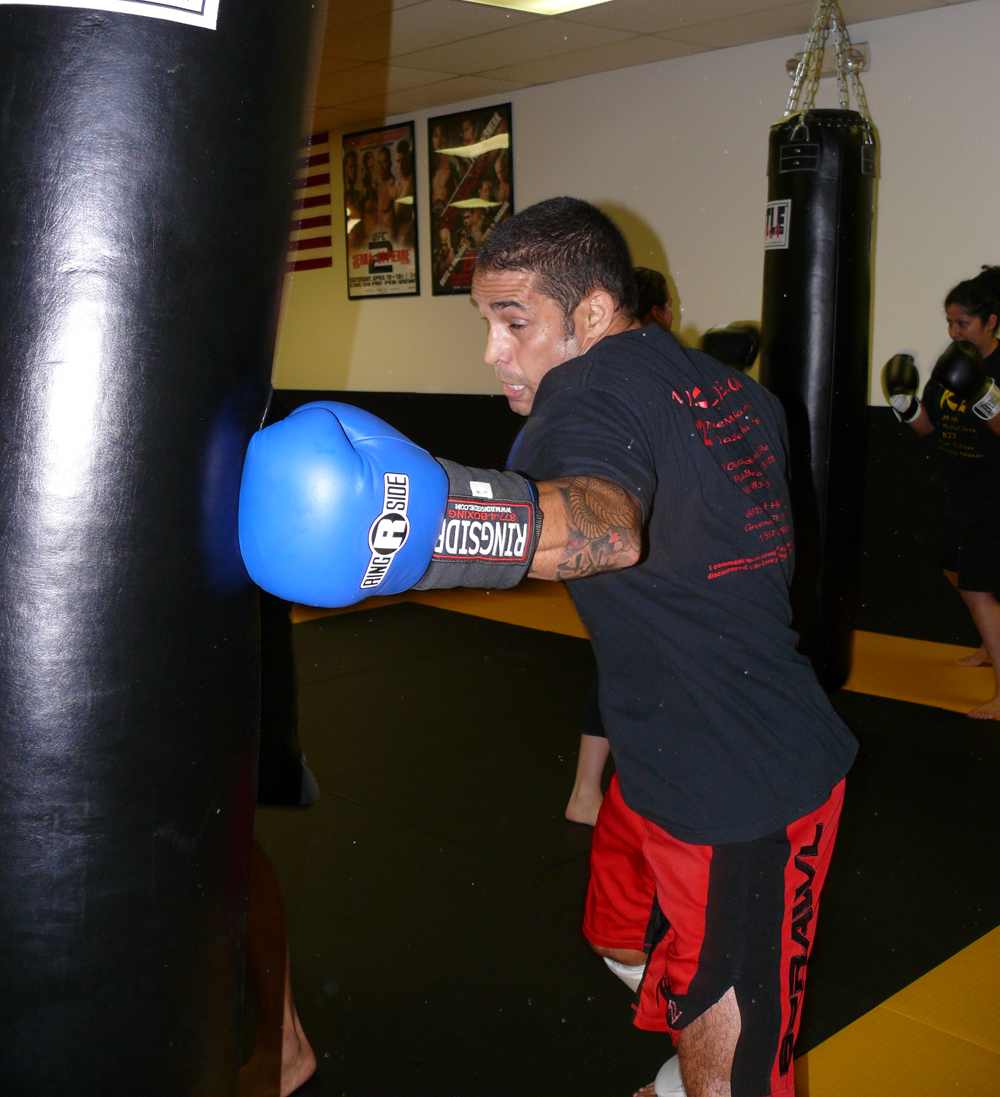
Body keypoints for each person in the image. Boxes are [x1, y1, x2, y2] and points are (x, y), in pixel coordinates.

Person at [240, 199, 857, 1097]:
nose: (494, 352)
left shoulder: (585, 392)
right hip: (661, 754)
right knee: (618, 933)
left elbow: (610, 525)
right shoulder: (738, 392)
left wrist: (421, 526)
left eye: (515, 321)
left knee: (736, 1068)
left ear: (593, 313)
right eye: (485, 322)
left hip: (744, 787)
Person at [565, 266, 673, 827]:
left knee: (621, 662)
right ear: (655, 313)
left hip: (608, 537)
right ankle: (587, 793)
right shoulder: (636, 375)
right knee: (624, 664)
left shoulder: (596, 373)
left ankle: (592, 790)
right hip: (616, 539)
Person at [882, 265, 1000, 720]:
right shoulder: (949, 362)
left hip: (993, 494)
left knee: (977, 590)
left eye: (963, 323)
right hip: (958, 490)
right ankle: (989, 645)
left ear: (990, 322)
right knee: (952, 567)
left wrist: (983, 393)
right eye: (949, 322)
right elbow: (927, 428)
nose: (953, 332)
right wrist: (903, 402)